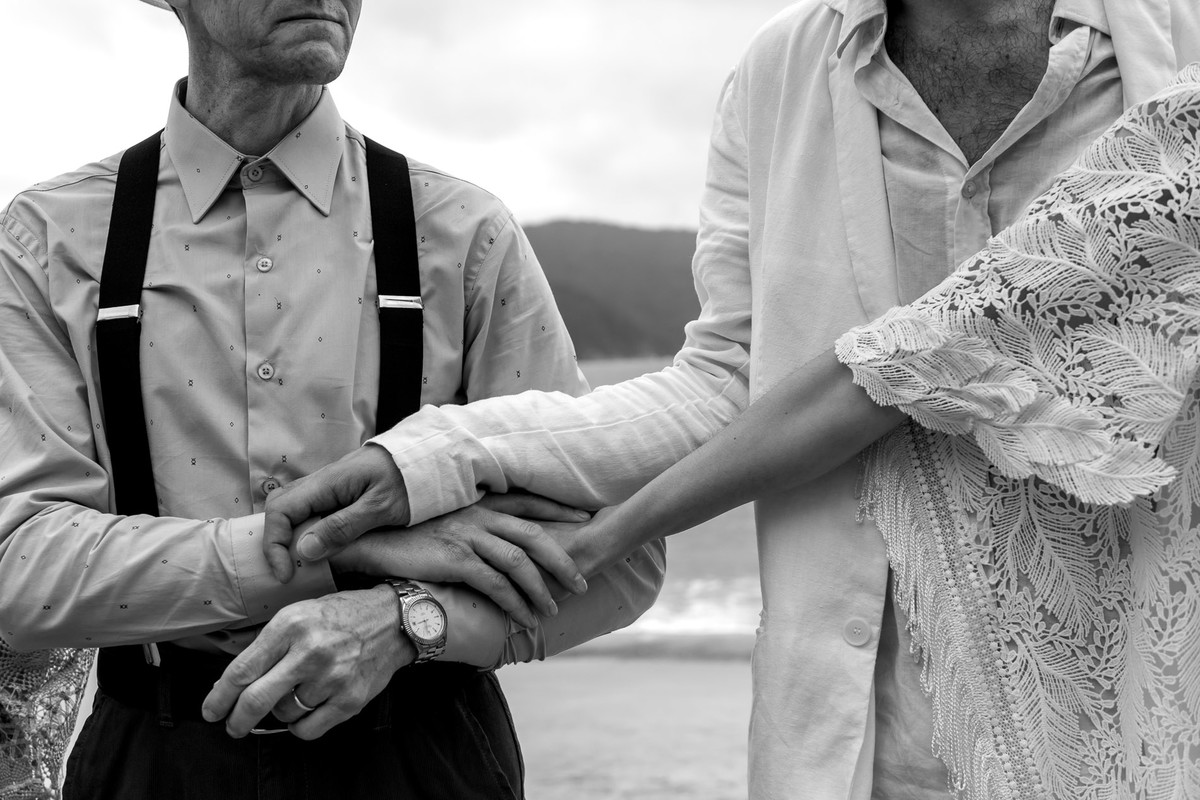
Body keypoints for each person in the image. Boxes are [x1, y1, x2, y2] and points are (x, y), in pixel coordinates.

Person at [251, 0, 1200, 797]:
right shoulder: (778, 73)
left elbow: (880, 379)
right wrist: (428, 458)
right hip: (861, 747)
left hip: (1145, 720)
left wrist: (585, 531)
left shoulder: (1180, 55)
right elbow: (730, 383)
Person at [0, 0, 665, 797]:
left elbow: (623, 556)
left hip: (423, 753)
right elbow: (22, 575)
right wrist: (341, 549)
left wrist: (406, 620)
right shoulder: (52, 236)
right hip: (152, 757)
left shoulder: (464, 232)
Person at [529, 66, 1200, 796]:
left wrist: (606, 537)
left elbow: (887, 376)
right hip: (892, 727)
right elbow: (754, 372)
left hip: (1134, 708)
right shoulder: (774, 72)